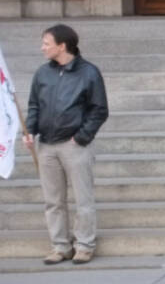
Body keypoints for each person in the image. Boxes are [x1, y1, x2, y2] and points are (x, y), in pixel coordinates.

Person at [23, 24, 109, 265]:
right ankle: (60, 245)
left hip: (75, 144)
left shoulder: (89, 73)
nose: (42, 48)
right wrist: (30, 130)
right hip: (46, 145)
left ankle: (84, 245)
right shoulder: (42, 74)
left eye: (46, 44)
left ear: (62, 46)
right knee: (53, 200)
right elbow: (34, 106)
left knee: (83, 198)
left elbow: (99, 110)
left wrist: (81, 137)